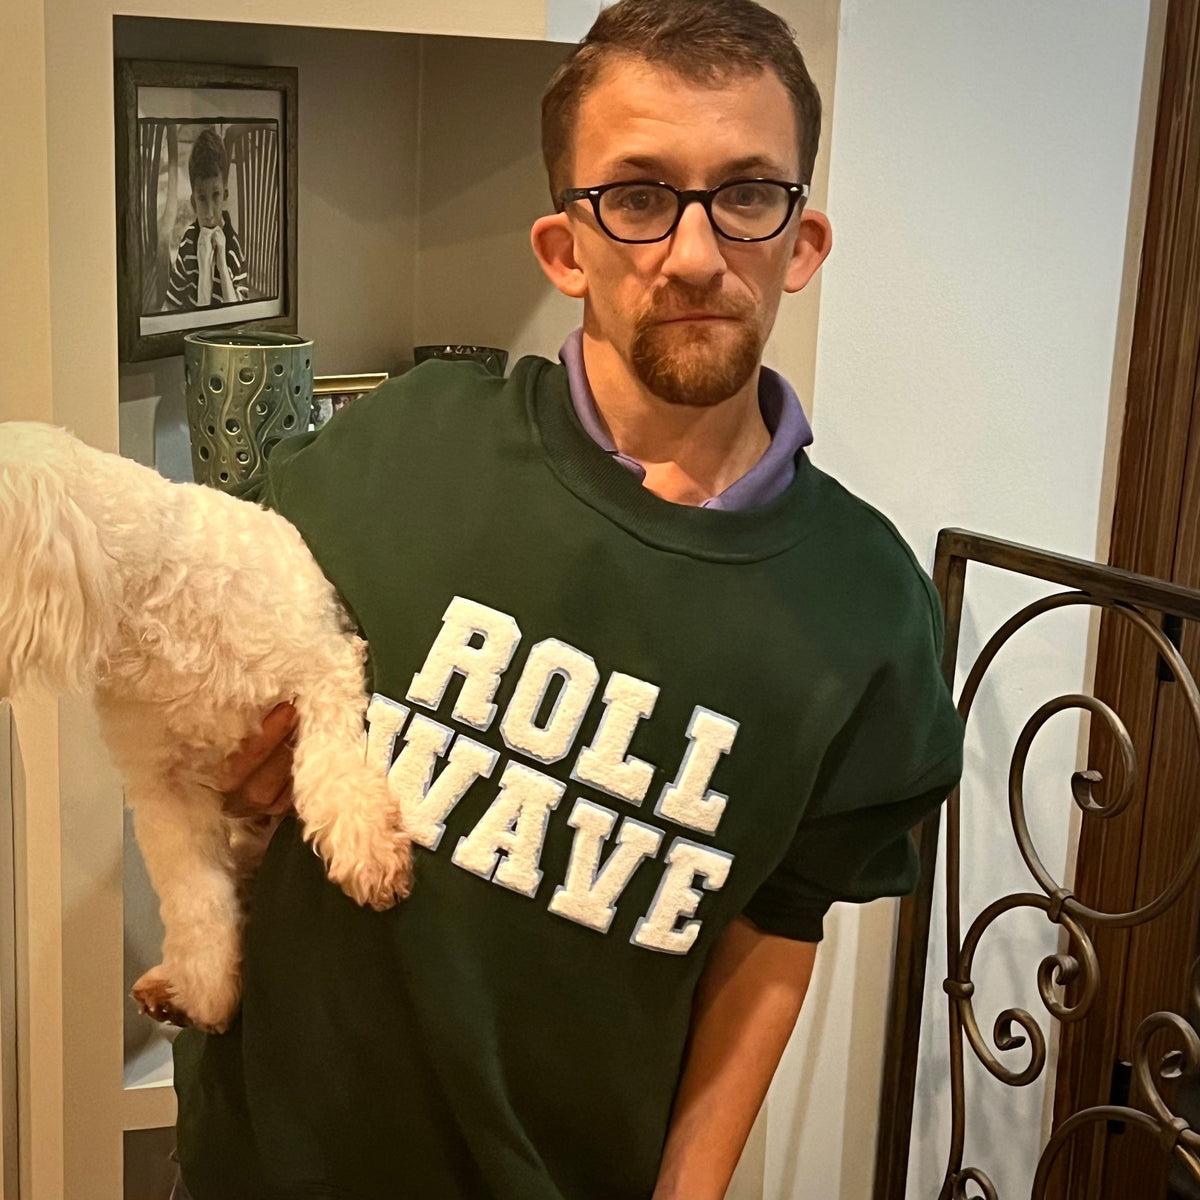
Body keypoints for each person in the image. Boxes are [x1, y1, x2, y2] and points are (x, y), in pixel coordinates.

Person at [170, 2, 964, 1198]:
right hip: (264, 1164)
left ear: (802, 241)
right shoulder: (400, 449)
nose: (694, 254)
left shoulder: (867, 613)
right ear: (563, 248)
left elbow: (778, 927)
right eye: (637, 197)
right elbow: (222, 687)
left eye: (747, 194)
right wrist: (225, 782)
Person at [165, 127, 251, 311]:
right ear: (193, 202)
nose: (210, 213)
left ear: (225, 194)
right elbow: (171, 303)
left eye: (216, 195)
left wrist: (222, 264)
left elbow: (239, 316)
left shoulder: (233, 249)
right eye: (202, 199)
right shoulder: (188, 242)